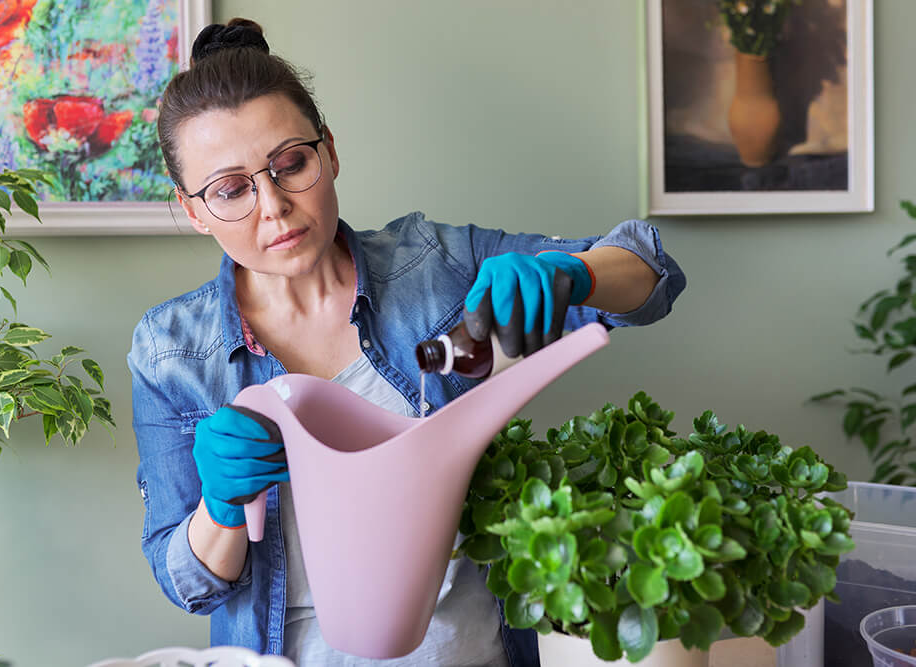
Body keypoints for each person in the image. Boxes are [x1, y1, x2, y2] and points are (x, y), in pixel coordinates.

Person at [128, 18, 686, 667]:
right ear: (194, 210)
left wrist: (576, 273)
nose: (273, 205)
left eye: (291, 164)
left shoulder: (436, 267)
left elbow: (651, 271)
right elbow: (186, 582)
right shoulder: (171, 349)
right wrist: (218, 511)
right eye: (230, 190)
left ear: (329, 152)